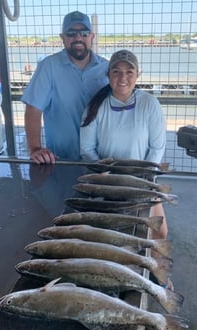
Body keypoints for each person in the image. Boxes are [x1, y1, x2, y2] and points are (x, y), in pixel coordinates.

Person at [80, 49, 168, 240]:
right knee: (110, 235)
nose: (123, 78)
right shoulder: (95, 106)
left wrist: (143, 179)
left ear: (138, 74)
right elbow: (87, 149)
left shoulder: (150, 104)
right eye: (116, 71)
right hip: (106, 180)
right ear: (108, 75)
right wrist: (105, 173)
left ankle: (155, 269)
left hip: (141, 181)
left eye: (129, 72)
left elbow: (157, 147)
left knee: (159, 232)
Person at [22, 11, 109, 164]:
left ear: (92, 36)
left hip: (100, 160)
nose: (78, 38)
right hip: (61, 160)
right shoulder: (48, 66)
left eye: (84, 33)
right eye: (71, 33)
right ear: (62, 37)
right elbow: (33, 110)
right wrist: (35, 149)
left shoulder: (107, 68)